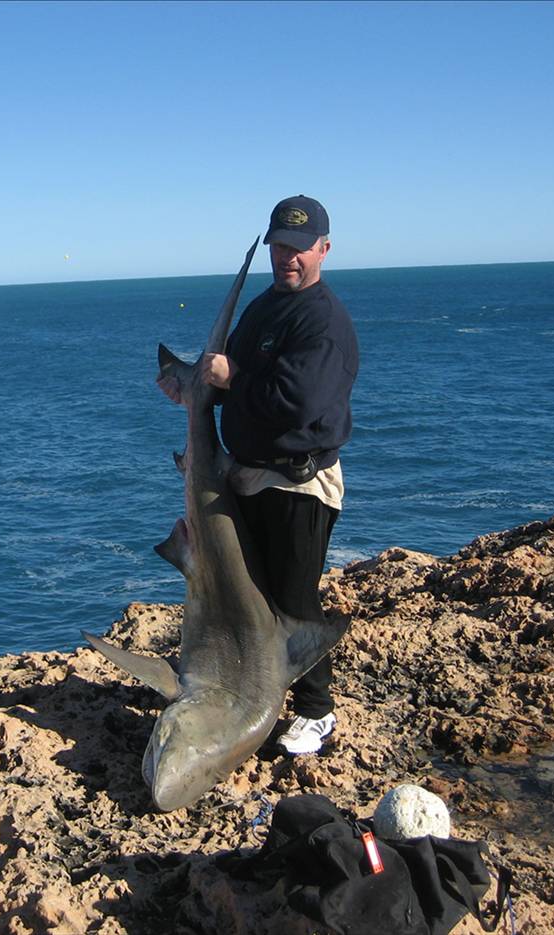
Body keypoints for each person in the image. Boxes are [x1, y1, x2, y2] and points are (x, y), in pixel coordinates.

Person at [158, 194, 359, 755]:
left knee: (293, 601)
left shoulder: (325, 322)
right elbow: (231, 387)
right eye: (279, 247)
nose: (287, 258)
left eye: (299, 248)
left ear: (323, 249)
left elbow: (295, 403)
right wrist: (194, 393)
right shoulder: (262, 308)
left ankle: (318, 712)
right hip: (243, 472)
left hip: (298, 482)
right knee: (245, 596)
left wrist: (228, 379)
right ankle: (236, 685)